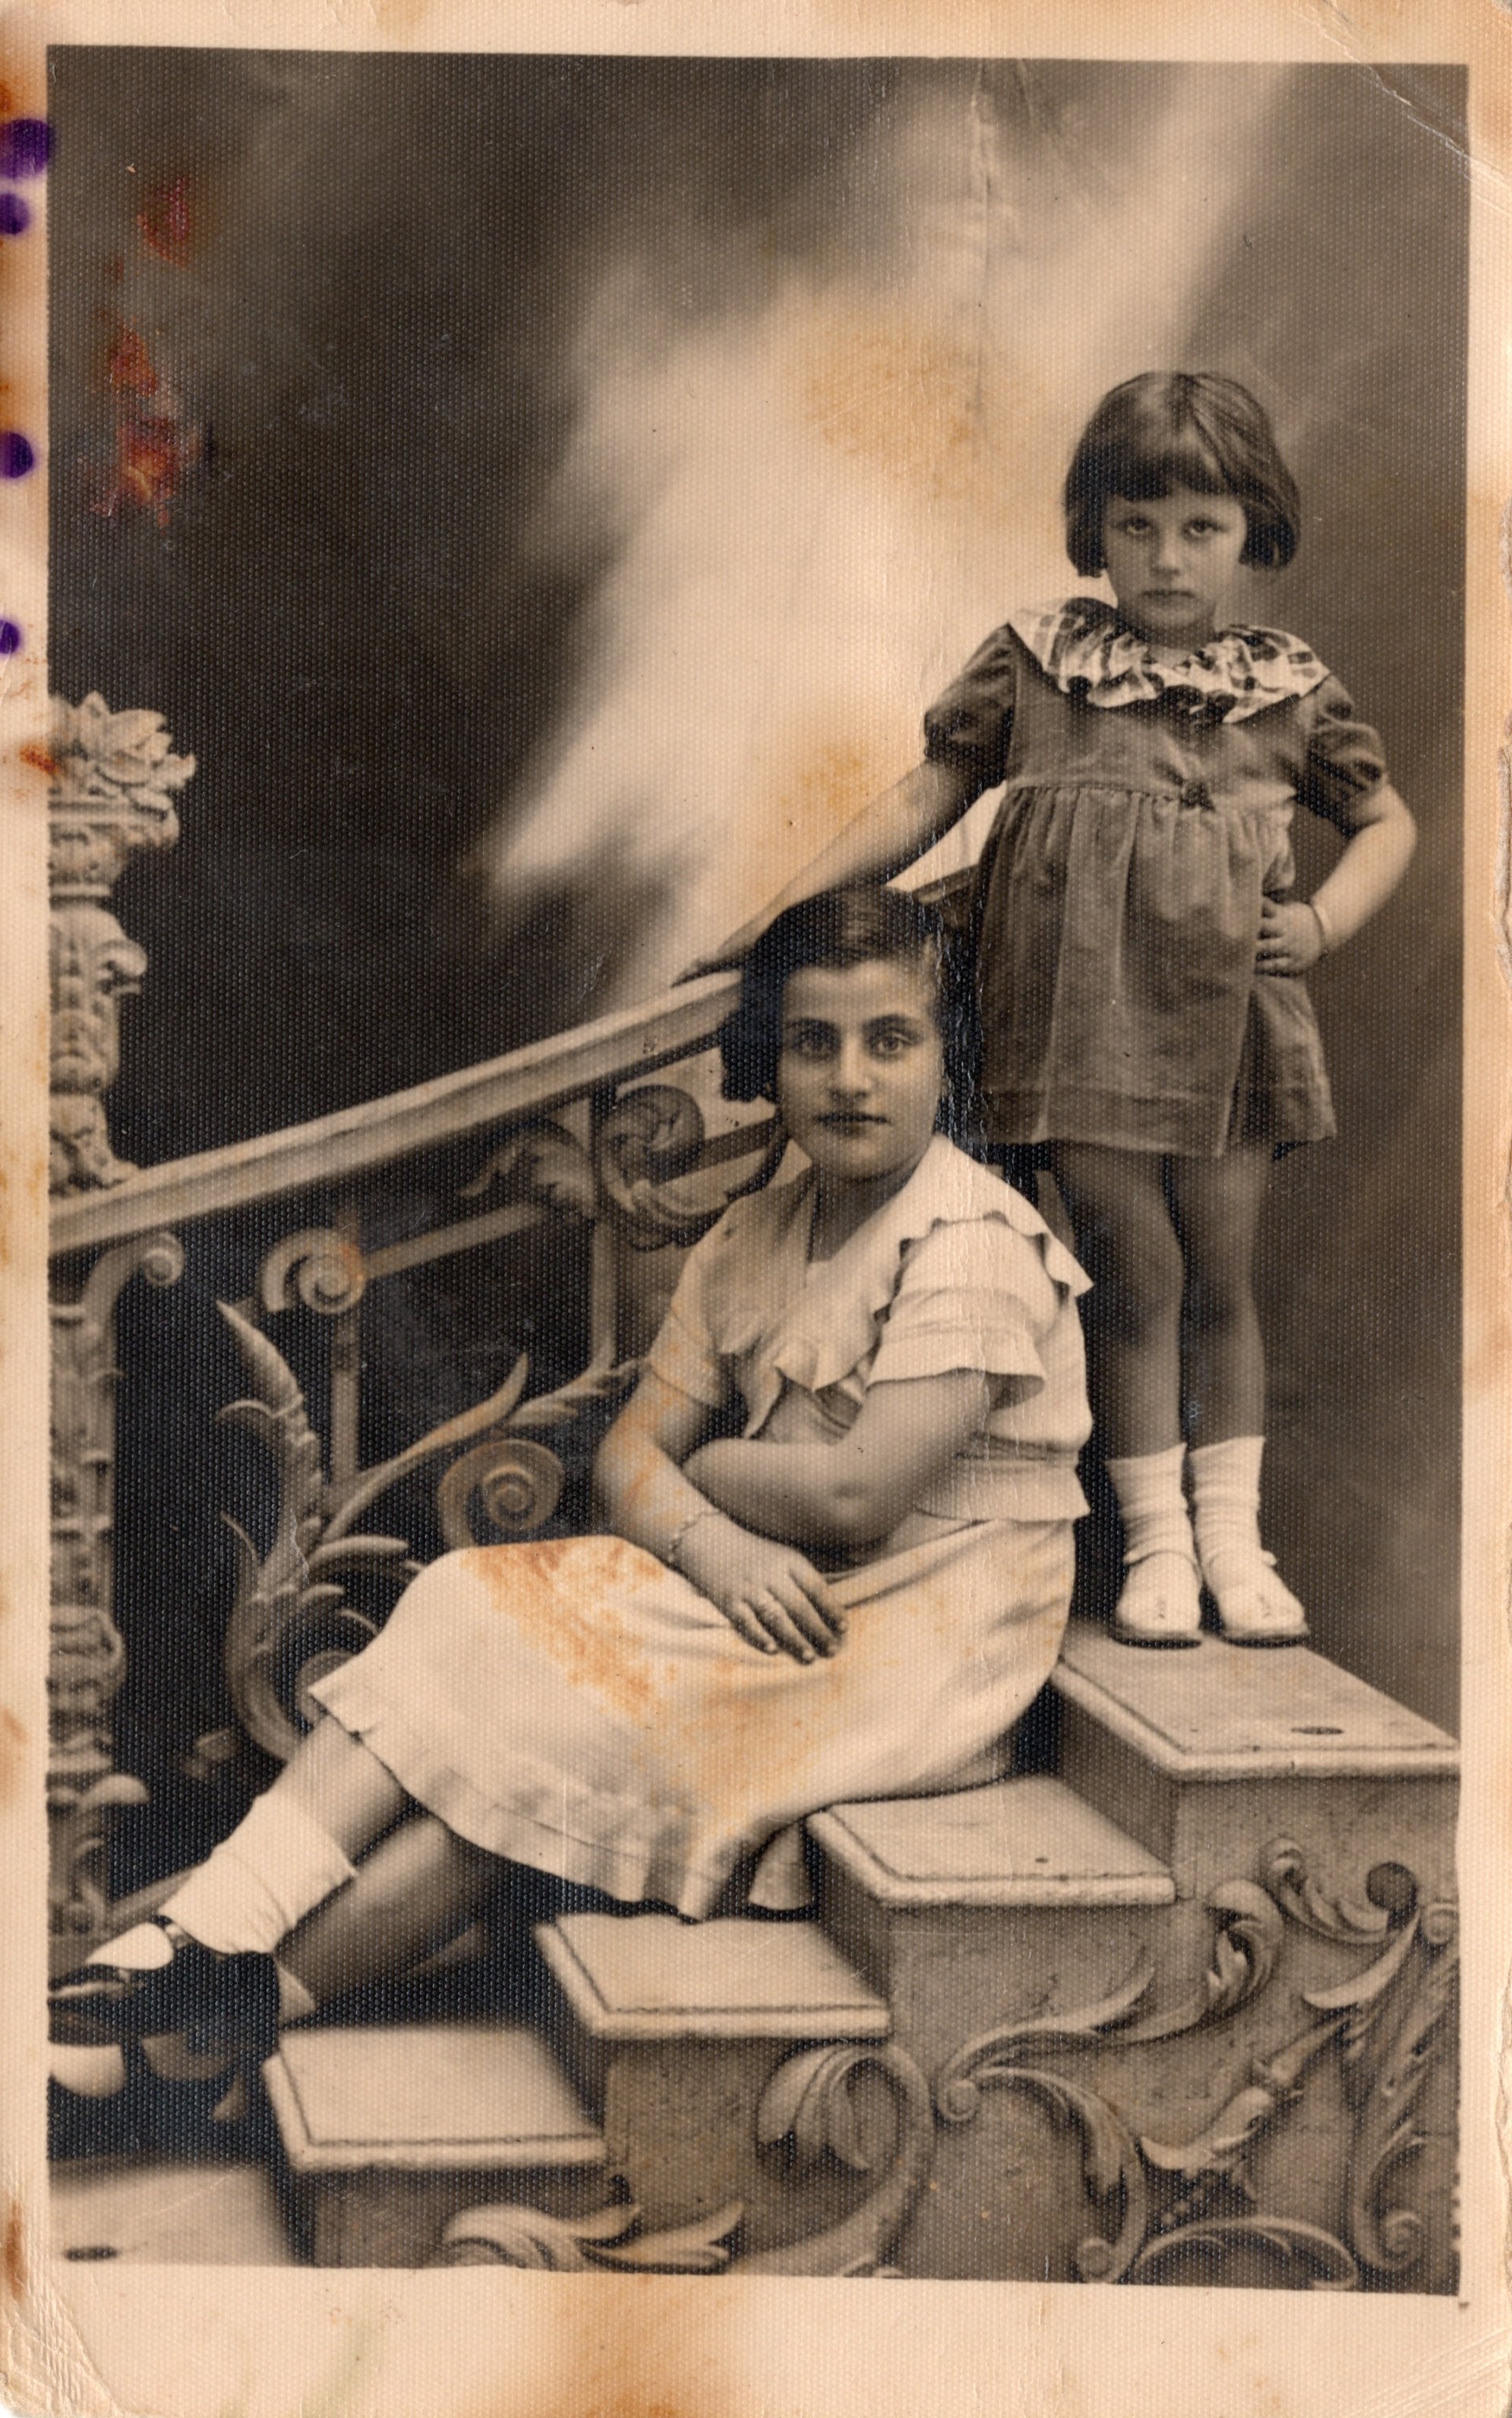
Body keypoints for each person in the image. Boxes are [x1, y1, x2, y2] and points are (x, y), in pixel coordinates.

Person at [52, 883, 1091, 2074]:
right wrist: (715, 1537)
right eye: (813, 1042)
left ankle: (163, 2038)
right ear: (772, 1056)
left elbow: (856, 1497)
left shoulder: (972, 1242)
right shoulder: (758, 1234)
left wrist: (704, 1477)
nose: (850, 1077)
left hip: (913, 1633)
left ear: (943, 1058)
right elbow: (620, 1460)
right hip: (779, 1581)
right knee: (464, 1601)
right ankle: (211, 1955)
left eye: (889, 1041)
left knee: (512, 1751)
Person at [700, 374, 1415, 1649]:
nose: (1167, 558)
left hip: (1231, 1030)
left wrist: (1319, 924)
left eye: (1201, 527)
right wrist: (778, 914)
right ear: (1097, 530)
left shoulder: (1287, 689)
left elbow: (1383, 821)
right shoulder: (1041, 664)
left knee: (1221, 1281)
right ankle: (1154, 1551)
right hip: (1080, 1028)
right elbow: (927, 795)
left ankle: (1232, 1543)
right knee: (1134, 1284)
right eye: (1136, 526)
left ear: (1252, 530)